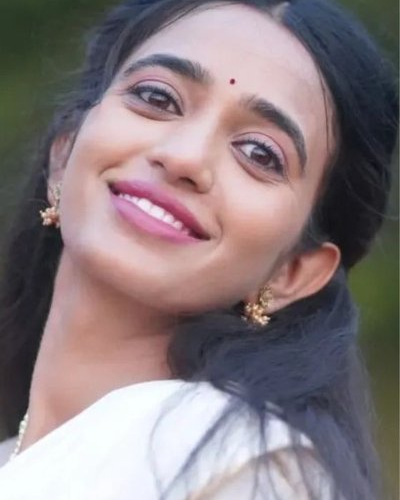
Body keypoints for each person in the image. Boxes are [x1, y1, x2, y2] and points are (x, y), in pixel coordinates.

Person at [0, 0, 397, 498]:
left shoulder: (247, 467)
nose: (184, 157)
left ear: (293, 271)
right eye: (157, 97)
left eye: (259, 153)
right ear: (65, 154)